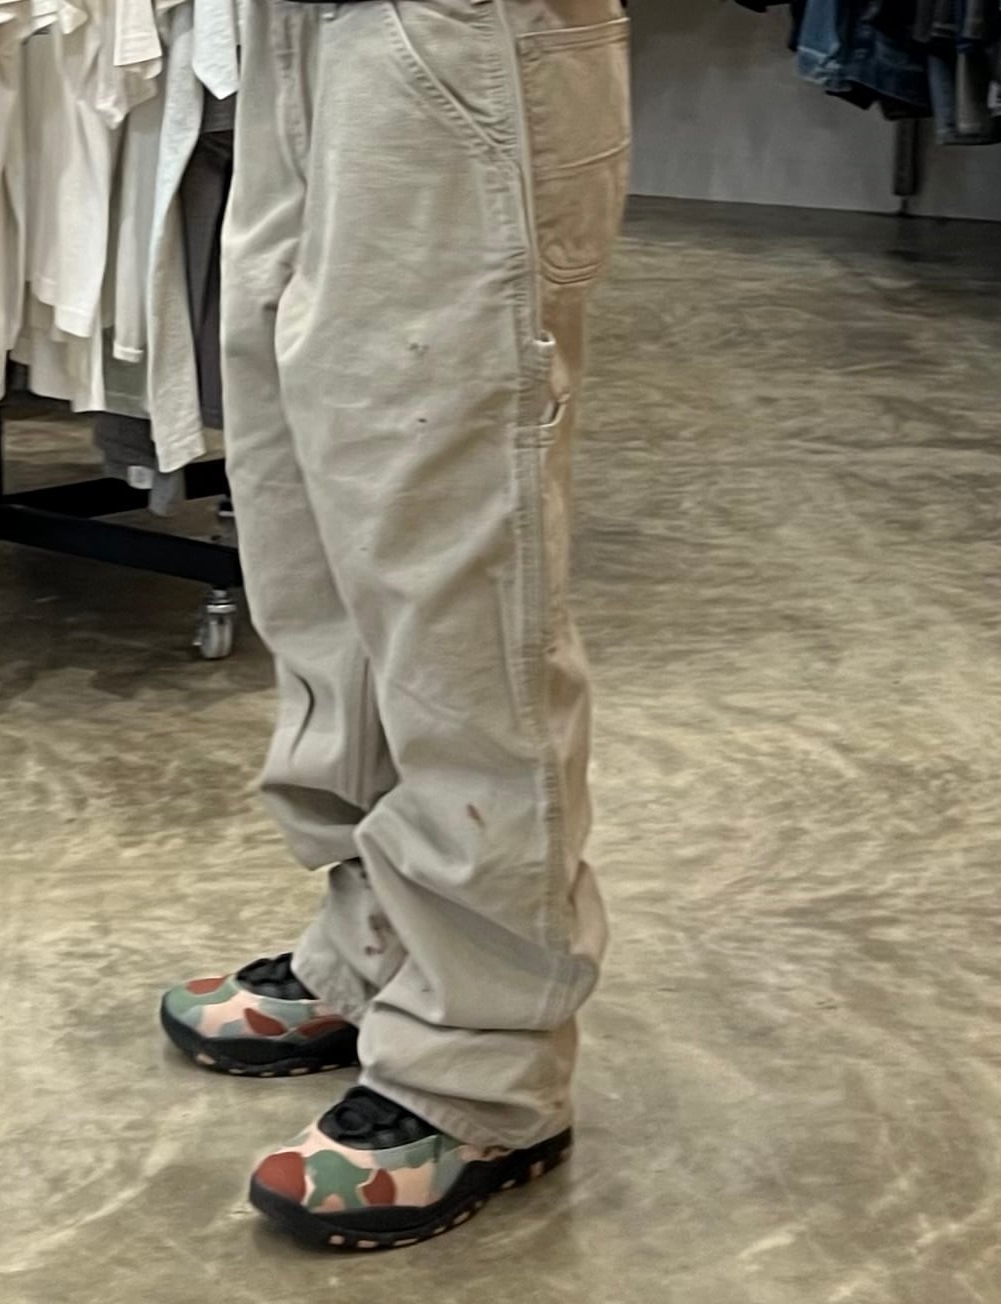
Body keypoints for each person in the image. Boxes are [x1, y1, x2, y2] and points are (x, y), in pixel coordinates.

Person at [160, 0, 631, 1250]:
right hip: (298, 28)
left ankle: (480, 1061)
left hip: (462, 26)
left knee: (446, 539)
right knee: (304, 505)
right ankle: (373, 941)